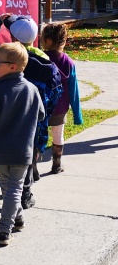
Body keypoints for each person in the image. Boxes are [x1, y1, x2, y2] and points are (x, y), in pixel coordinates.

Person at [0, 14, 61, 209]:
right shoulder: (47, 62)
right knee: (30, 150)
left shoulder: (6, 56)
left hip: (9, 117)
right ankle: (26, 190)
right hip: (35, 117)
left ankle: (16, 196)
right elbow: (56, 90)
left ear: (12, 38)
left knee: (11, 159)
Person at [0, 42, 45, 246]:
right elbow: (41, 115)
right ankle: (17, 219)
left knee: (9, 188)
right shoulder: (32, 89)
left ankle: (4, 229)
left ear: (12, 67)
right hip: (23, 150)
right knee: (12, 189)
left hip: (1, 148)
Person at [40, 22, 83, 174]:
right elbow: (74, 91)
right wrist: (77, 116)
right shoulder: (69, 63)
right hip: (60, 107)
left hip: (40, 107)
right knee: (58, 135)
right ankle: (56, 164)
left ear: (48, 41)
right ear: (63, 42)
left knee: (35, 136)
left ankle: (33, 169)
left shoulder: (39, 59)